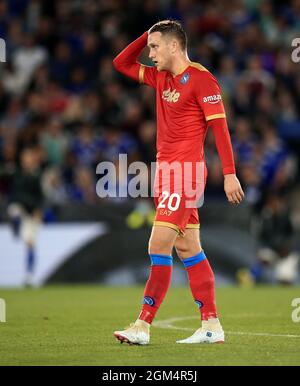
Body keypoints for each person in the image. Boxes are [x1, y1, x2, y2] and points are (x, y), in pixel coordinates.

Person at [112, 20, 244, 345]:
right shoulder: (160, 78)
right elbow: (121, 63)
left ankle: (142, 326)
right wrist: (148, 33)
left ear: (174, 46)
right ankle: (211, 324)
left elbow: (220, 129)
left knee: (158, 245)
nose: (150, 53)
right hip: (165, 176)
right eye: (150, 47)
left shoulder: (202, 79)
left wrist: (229, 173)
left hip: (185, 176)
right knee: (188, 248)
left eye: (155, 47)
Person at [7, 147, 44, 287]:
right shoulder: (16, 174)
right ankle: (15, 227)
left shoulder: (36, 176)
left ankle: (29, 275)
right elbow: (14, 194)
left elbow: (40, 196)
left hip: (30, 212)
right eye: (25, 159)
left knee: (30, 243)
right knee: (14, 209)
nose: (27, 162)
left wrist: (38, 210)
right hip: (19, 207)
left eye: (29, 159)